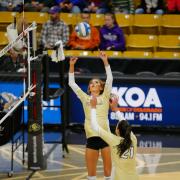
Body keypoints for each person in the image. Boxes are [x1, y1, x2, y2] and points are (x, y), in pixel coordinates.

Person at [68, 51, 112, 180]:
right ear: (89, 88)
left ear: (101, 87)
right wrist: (71, 66)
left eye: (97, 82)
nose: (93, 84)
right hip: (91, 139)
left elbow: (110, 79)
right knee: (91, 175)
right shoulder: (85, 98)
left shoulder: (105, 95)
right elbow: (72, 83)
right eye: (91, 83)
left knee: (108, 173)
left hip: (105, 138)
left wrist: (105, 61)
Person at [90, 94, 139, 180]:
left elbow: (94, 126)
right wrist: (115, 109)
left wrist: (93, 107)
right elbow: (124, 123)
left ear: (118, 131)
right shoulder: (133, 139)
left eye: (117, 127)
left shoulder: (114, 140)